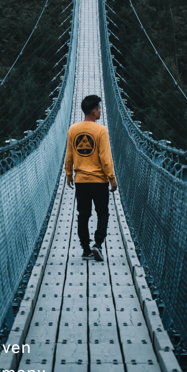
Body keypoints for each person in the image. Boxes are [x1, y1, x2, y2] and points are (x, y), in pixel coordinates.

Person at [65, 94, 117, 261]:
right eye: (99, 109)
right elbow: (105, 158)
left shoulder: (73, 129)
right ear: (94, 111)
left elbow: (70, 155)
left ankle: (86, 250)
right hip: (99, 181)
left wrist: (69, 174)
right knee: (102, 213)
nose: (100, 111)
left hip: (81, 181)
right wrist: (112, 178)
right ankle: (98, 244)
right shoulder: (101, 130)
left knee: (83, 214)